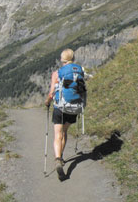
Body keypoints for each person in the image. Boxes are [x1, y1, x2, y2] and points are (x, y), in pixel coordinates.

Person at [44, 48, 82, 181]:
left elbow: (51, 93)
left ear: (62, 59)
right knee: (64, 133)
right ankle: (61, 157)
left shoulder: (57, 73)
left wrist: (47, 102)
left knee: (57, 135)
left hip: (60, 107)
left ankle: (58, 159)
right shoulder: (79, 71)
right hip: (73, 107)